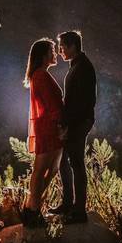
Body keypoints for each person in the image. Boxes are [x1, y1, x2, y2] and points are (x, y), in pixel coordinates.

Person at [50, 30, 96, 224]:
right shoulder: (77, 65)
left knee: (76, 163)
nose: (60, 51)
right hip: (76, 121)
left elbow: (84, 102)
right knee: (65, 162)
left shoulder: (83, 67)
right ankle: (68, 203)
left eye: (62, 47)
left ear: (73, 46)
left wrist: (69, 124)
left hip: (79, 122)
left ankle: (79, 211)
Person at [22, 37, 64, 228]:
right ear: (43, 55)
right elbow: (51, 104)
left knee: (52, 168)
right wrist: (61, 125)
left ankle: (32, 205)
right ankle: (32, 209)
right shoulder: (40, 75)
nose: (54, 54)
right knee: (40, 170)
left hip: (50, 126)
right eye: (51, 51)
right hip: (49, 127)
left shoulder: (40, 75)